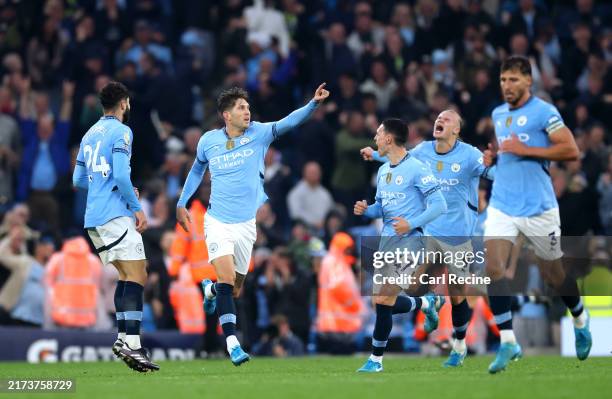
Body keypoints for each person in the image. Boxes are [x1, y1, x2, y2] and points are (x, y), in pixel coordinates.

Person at [176, 84, 330, 366]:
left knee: (234, 289)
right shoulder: (208, 141)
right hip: (217, 222)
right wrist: (181, 202)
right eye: (241, 108)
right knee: (225, 280)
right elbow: (198, 169)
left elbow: (288, 122)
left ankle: (209, 291)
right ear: (226, 115)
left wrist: (313, 104)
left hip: (246, 225)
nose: (247, 111)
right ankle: (233, 344)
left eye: (248, 107)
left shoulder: (258, 133)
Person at [361, 109, 495, 367]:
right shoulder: (422, 150)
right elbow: (403, 160)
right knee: (411, 285)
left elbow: (491, 173)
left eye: (447, 120)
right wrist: (375, 154)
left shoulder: (469, 155)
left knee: (458, 295)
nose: (439, 121)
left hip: (458, 235)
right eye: (438, 119)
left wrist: (494, 164)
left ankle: (458, 345)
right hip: (429, 231)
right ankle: (427, 302)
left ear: (456, 129)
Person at [482, 55, 589, 373]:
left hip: (539, 208)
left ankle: (580, 317)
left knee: (553, 275)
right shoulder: (498, 114)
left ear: (529, 81)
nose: (507, 86)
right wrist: (494, 160)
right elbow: (509, 155)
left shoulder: (545, 112)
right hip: (503, 204)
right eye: (503, 80)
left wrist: (527, 150)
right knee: (493, 268)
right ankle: (508, 341)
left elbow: (571, 150)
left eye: (513, 79)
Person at [72, 81, 158, 372]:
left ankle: (123, 338)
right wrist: (136, 208)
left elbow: (78, 181)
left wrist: (102, 185)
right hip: (115, 214)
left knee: (126, 273)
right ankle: (132, 343)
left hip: (93, 217)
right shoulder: (122, 132)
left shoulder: (88, 134)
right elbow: (121, 175)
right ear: (123, 103)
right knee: (138, 272)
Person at [353, 119, 447, 373]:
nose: (375, 137)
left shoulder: (418, 168)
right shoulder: (383, 172)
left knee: (383, 298)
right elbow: (382, 210)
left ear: (389, 139)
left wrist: (412, 223)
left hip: (412, 240)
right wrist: (366, 210)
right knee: (381, 302)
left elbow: (440, 205)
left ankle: (375, 360)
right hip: (387, 242)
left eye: (379, 133)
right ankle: (427, 304)